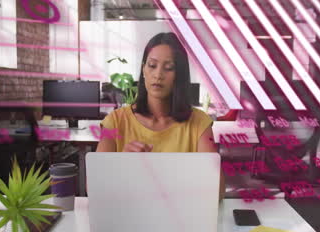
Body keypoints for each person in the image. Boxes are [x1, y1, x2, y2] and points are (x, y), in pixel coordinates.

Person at [96, 32, 224, 199]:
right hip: (129, 216)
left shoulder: (199, 123)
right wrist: (123, 166)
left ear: (179, 75)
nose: (158, 75)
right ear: (143, 70)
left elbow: (217, 191)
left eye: (168, 68)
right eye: (152, 65)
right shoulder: (114, 122)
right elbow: (94, 188)